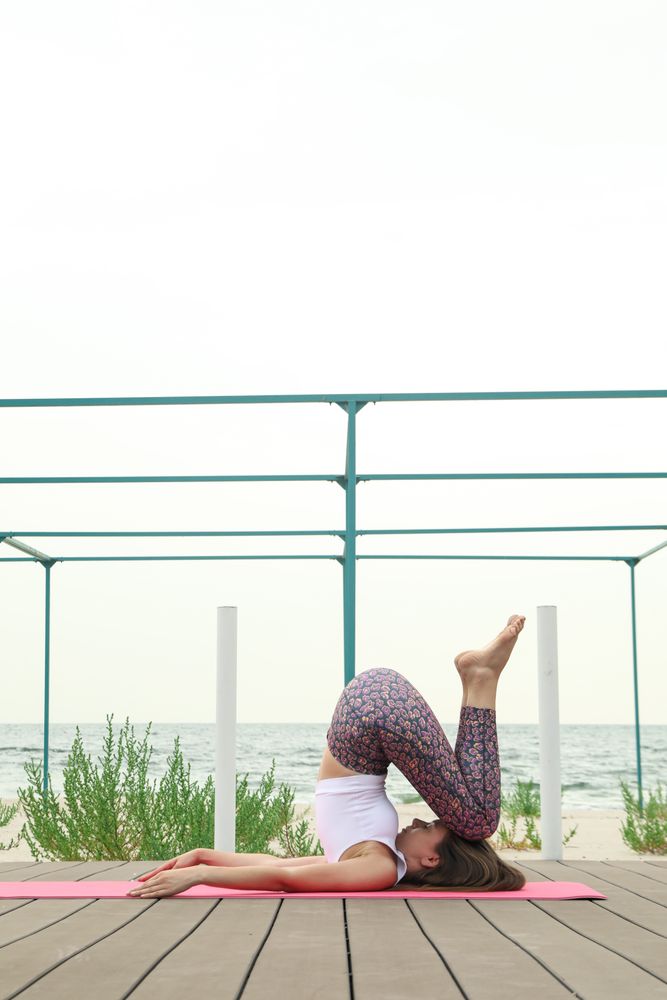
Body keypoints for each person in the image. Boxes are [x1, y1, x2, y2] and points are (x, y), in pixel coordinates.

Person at [127, 615, 527, 898]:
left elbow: (282, 871)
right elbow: (281, 873)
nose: (422, 818)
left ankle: (480, 679)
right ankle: (480, 678)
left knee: (478, 819)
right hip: (373, 716)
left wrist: (203, 867)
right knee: (477, 821)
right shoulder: (378, 861)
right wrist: (201, 866)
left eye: (431, 825)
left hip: (372, 712)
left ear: (430, 860)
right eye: (433, 823)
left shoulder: (378, 867)